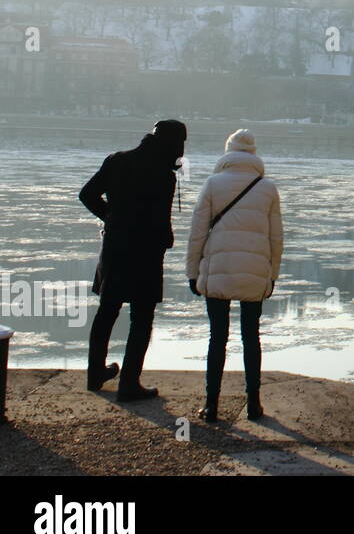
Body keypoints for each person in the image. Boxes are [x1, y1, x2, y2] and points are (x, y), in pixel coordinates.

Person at [80, 119, 188, 401]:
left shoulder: (116, 160)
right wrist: (167, 241)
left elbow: (87, 194)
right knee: (141, 319)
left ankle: (94, 375)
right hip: (146, 256)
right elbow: (162, 224)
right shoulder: (165, 176)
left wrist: (111, 218)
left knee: (106, 311)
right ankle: (129, 383)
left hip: (115, 250)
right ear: (174, 144)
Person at [186, 129, 283, 422]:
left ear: (227, 152)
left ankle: (211, 405)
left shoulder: (213, 184)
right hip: (255, 272)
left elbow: (197, 233)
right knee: (251, 337)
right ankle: (254, 404)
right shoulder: (268, 188)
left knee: (218, 338)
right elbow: (276, 238)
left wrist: (192, 272)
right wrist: (272, 276)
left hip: (219, 269)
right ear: (254, 155)